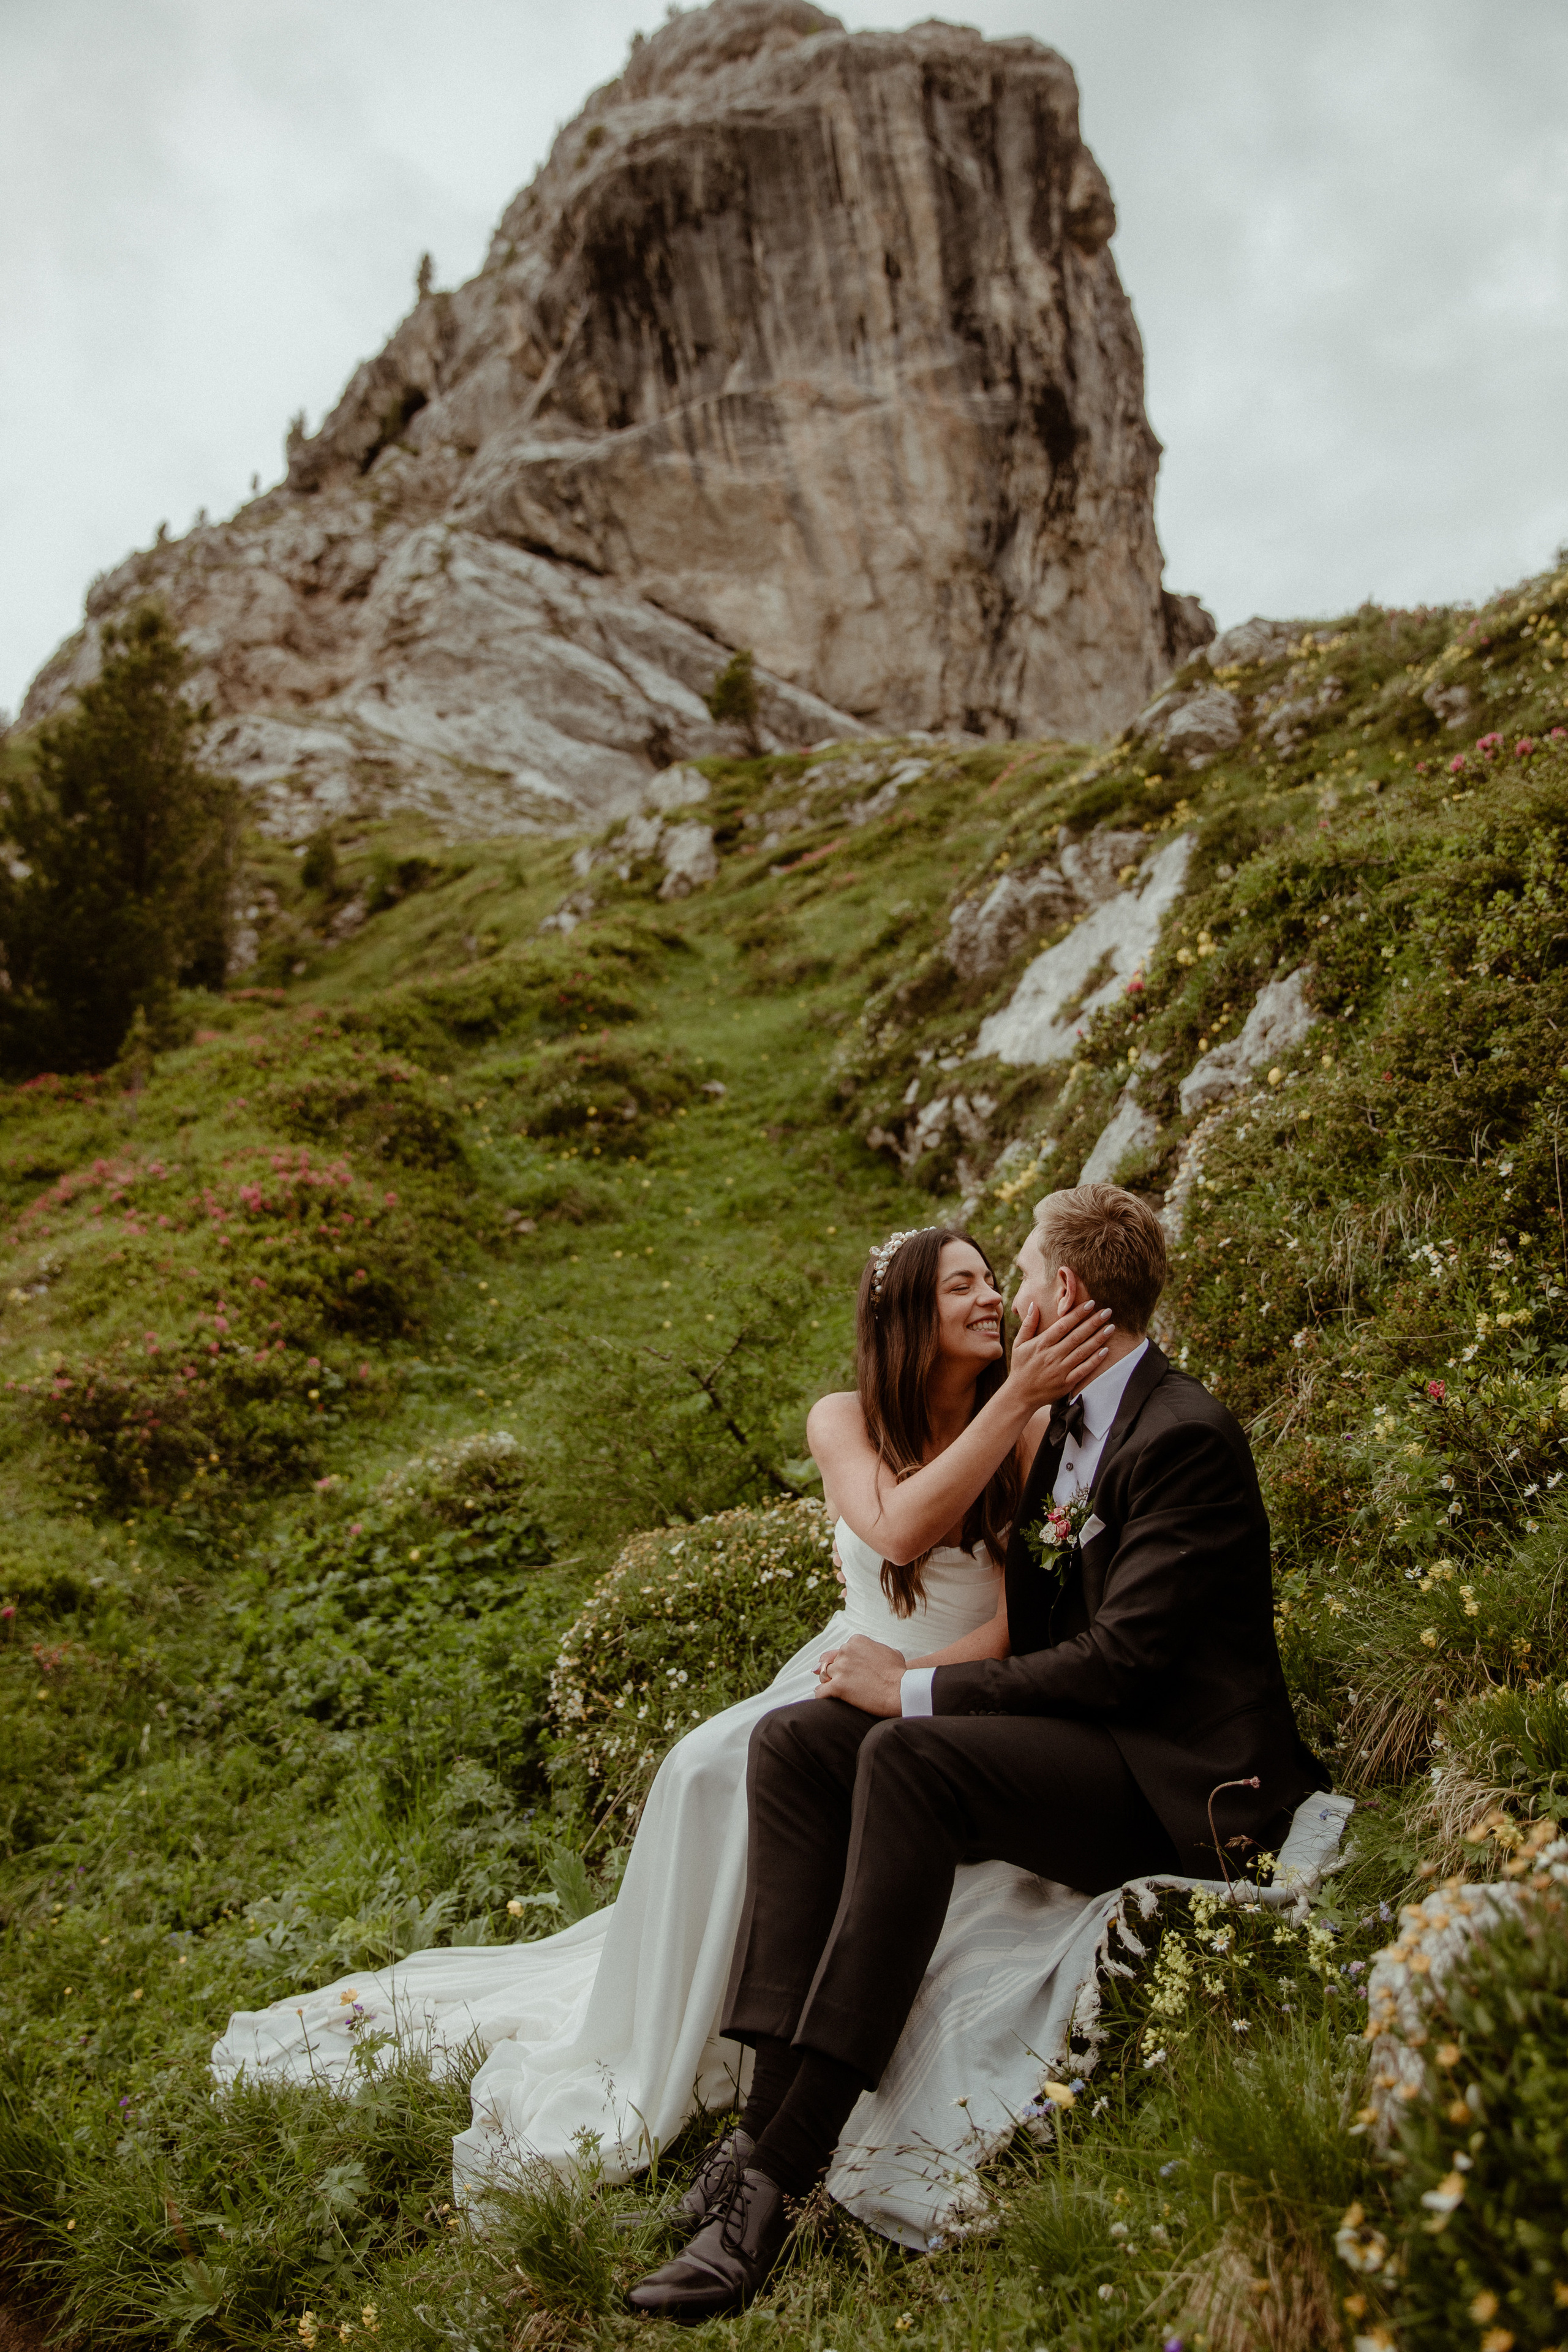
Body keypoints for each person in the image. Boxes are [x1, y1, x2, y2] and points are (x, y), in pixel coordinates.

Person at [211, 1223, 1104, 2212]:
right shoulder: (841, 1419)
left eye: (993, 1280)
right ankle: (686, 2030)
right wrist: (1017, 1397)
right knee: (703, 1766)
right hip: (843, 1659)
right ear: (903, 1319)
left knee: (764, 1767)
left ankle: (764, 2069)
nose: (990, 1300)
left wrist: (909, 1680)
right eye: (961, 1287)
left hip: (942, 1679)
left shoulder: (1026, 1431)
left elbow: (1013, 1630)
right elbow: (893, 1527)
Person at [627, 1180, 1329, 2324]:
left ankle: (778, 2184)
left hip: (1176, 1778)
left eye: (1013, 1267)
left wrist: (910, 1690)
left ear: (1063, 1291)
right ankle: (759, 2122)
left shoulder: (1182, 1432)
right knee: (802, 1741)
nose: (1000, 1289)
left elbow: (1115, 1668)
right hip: (1081, 1737)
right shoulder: (1058, 1423)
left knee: (906, 1758)